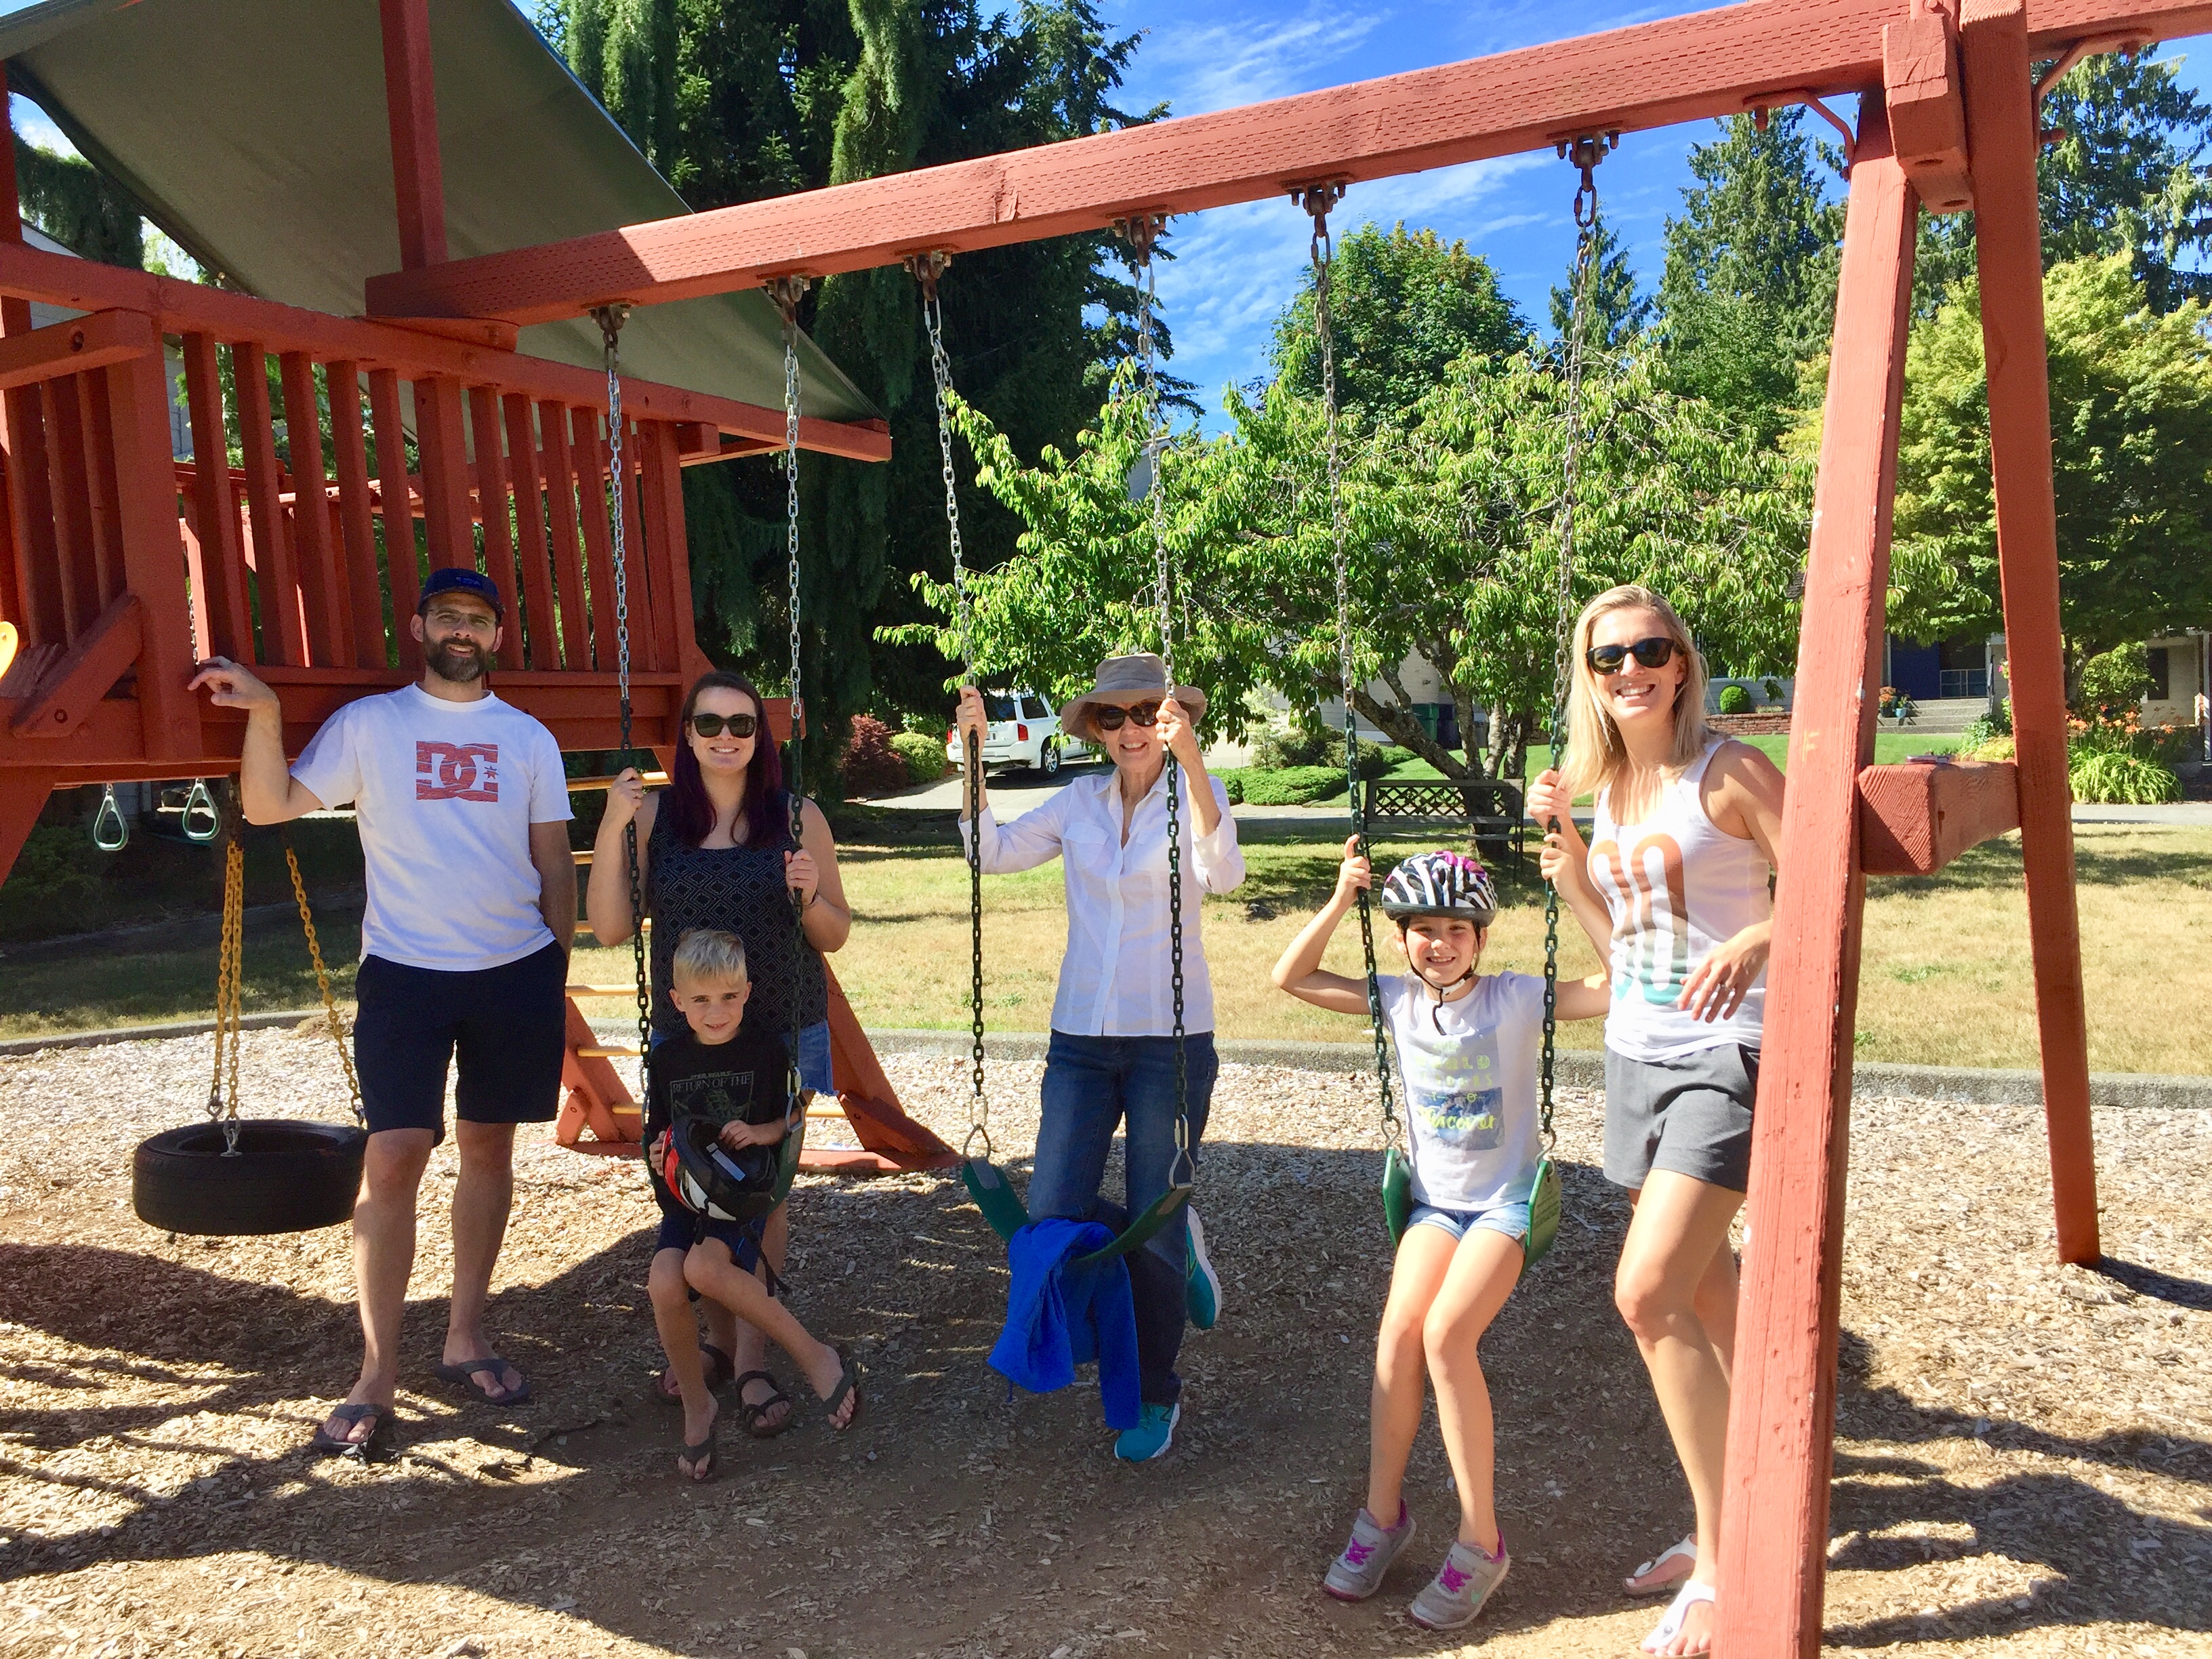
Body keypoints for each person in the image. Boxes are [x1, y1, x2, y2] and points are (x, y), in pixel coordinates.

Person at [188, 567, 576, 1456]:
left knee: (489, 1148)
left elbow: (555, 860)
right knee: (394, 1157)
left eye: (478, 620)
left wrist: (551, 966)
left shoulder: (528, 738)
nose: (463, 631)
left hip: (514, 970)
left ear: (498, 636)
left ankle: (466, 1336)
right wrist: (263, 712)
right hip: (405, 973)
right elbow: (268, 805)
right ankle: (376, 1372)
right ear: (420, 627)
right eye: (448, 616)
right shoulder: (371, 725)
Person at [1524, 583, 1784, 1658]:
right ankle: (1758, 1507)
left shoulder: (1730, 771)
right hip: (1637, 1055)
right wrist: (1570, 867)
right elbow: (1627, 948)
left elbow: (1834, 881)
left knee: (1645, 1294)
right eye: (1607, 656)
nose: (1628, 669)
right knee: (1712, 1302)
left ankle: (1724, 1567)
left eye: (1647, 649)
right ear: (1589, 678)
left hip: (1727, 1054)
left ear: (1681, 663)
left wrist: (1759, 938)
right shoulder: (1615, 788)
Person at [1273, 845, 1608, 1630]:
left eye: (1458, 930)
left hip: (1504, 1208)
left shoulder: (1515, 999)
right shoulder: (1394, 998)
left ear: (1482, 939)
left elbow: (1618, 985)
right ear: (1400, 937)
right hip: (1434, 1207)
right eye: (1424, 929)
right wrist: (1339, 898)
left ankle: (1481, 1543)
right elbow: (1291, 977)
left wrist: (1574, 888)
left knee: (1448, 1336)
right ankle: (1382, 1517)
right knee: (1398, 1336)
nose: (1441, 943)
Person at [956, 652, 1243, 1462]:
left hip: (1169, 1043)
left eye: (1146, 713)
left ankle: (1155, 1393)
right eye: (1112, 717)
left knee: (1152, 1233)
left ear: (1171, 720)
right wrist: (974, 760)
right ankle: (1176, 1229)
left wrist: (1192, 762)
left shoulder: (1198, 795)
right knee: (1053, 1212)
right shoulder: (1078, 803)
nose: (1130, 730)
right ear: (1096, 729)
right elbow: (990, 853)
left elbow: (1224, 874)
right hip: (1080, 1038)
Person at [586, 670, 851, 1439]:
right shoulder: (655, 817)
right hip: (690, 1034)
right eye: (710, 725)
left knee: (762, 1188)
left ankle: (753, 1360)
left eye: (742, 725)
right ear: (689, 736)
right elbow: (609, 927)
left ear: (760, 737)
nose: (726, 738)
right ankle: (724, 1339)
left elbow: (834, 933)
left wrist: (808, 895)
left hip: (781, 1026)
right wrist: (612, 824)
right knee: (693, 1180)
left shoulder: (797, 817)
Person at [644, 928, 861, 1479]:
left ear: (746, 993)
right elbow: (656, 1133)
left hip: (742, 1194)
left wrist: (762, 1133)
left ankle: (813, 1354)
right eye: (700, 1000)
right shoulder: (667, 1060)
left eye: (728, 997)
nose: (716, 1012)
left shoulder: (765, 1051)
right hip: (688, 1198)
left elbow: (791, 1116)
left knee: (702, 1268)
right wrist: (656, 1151)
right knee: (664, 1281)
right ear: (677, 1002)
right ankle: (699, 1406)